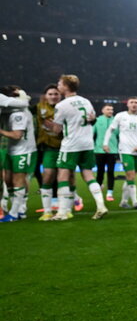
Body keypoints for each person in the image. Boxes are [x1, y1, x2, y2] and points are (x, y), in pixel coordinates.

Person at [41, 74, 108, 220]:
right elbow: (92, 119)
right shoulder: (86, 101)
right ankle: (101, 206)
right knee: (89, 175)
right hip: (87, 143)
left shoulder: (62, 105)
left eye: (60, 84)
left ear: (65, 86)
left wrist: (48, 125)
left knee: (63, 176)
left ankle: (62, 212)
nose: (58, 86)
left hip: (71, 145)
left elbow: (57, 130)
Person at [104, 97, 137, 209]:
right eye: (131, 102)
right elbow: (110, 129)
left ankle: (123, 201)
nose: (134, 104)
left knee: (131, 177)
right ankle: (135, 202)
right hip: (125, 150)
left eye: (136, 102)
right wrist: (105, 143)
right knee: (130, 175)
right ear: (127, 104)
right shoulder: (120, 116)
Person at [0, 87, 35, 221]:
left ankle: (15, 213)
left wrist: (1, 132)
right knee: (8, 180)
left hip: (24, 150)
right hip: (12, 150)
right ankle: (19, 209)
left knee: (18, 180)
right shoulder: (11, 111)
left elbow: (17, 135)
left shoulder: (19, 113)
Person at [35, 84, 63, 218]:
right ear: (45, 96)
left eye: (56, 94)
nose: (53, 96)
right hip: (46, 146)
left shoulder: (65, 108)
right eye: (50, 94)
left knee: (66, 177)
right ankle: (48, 209)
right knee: (47, 175)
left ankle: (65, 206)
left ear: (60, 95)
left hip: (65, 146)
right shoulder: (38, 108)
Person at [94, 103, 119, 202]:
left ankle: (109, 193)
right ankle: (98, 189)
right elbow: (92, 134)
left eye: (112, 110)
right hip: (99, 150)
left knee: (111, 172)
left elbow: (121, 134)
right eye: (108, 109)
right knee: (100, 172)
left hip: (112, 150)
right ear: (102, 110)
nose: (110, 111)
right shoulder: (97, 120)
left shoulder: (116, 121)